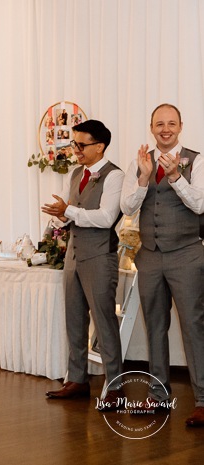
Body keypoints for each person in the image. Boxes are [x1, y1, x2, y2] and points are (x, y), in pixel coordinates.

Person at [120, 103, 204, 426]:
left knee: (193, 327)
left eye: (171, 123)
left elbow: (199, 204)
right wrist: (143, 178)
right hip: (150, 256)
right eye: (159, 124)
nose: (165, 129)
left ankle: (202, 399)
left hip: (187, 254)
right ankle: (158, 396)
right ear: (151, 127)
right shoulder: (140, 162)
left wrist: (175, 177)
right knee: (154, 326)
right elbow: (127, 206)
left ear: (181, 126)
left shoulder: (195, 161)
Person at [41, 120, 125, 409]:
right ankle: (76, 379)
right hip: (73, 256)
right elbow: (69, 213)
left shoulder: (115, 176)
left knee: (104, 322)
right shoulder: (77, 173)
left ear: (99, 146)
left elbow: (105, 218)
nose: (75, 149)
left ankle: (116, 386)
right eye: (74, 143)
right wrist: (59, 215)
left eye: (81, 144)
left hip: (100, 256)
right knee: (74, 320)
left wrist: (69, 211)